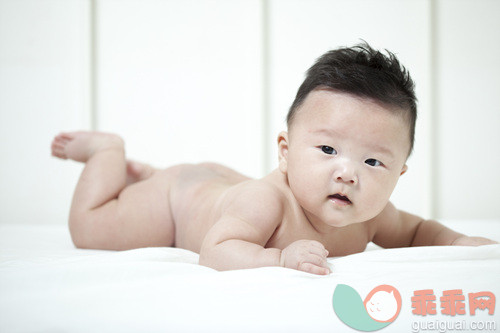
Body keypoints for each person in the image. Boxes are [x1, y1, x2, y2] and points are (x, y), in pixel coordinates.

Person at [51, 43, 497, 276]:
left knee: (228, 193)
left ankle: (147, 174)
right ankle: (109, 154)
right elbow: (216, 249)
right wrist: (278, 261)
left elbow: (418, 232)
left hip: (220, 185)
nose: (347, 172)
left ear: (399, 173)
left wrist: (457, 243)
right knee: (90, 228)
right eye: (327, 150)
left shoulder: (372, 216)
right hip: (176, 202)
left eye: (373, 163)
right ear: (285, 152)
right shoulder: (266, 203)